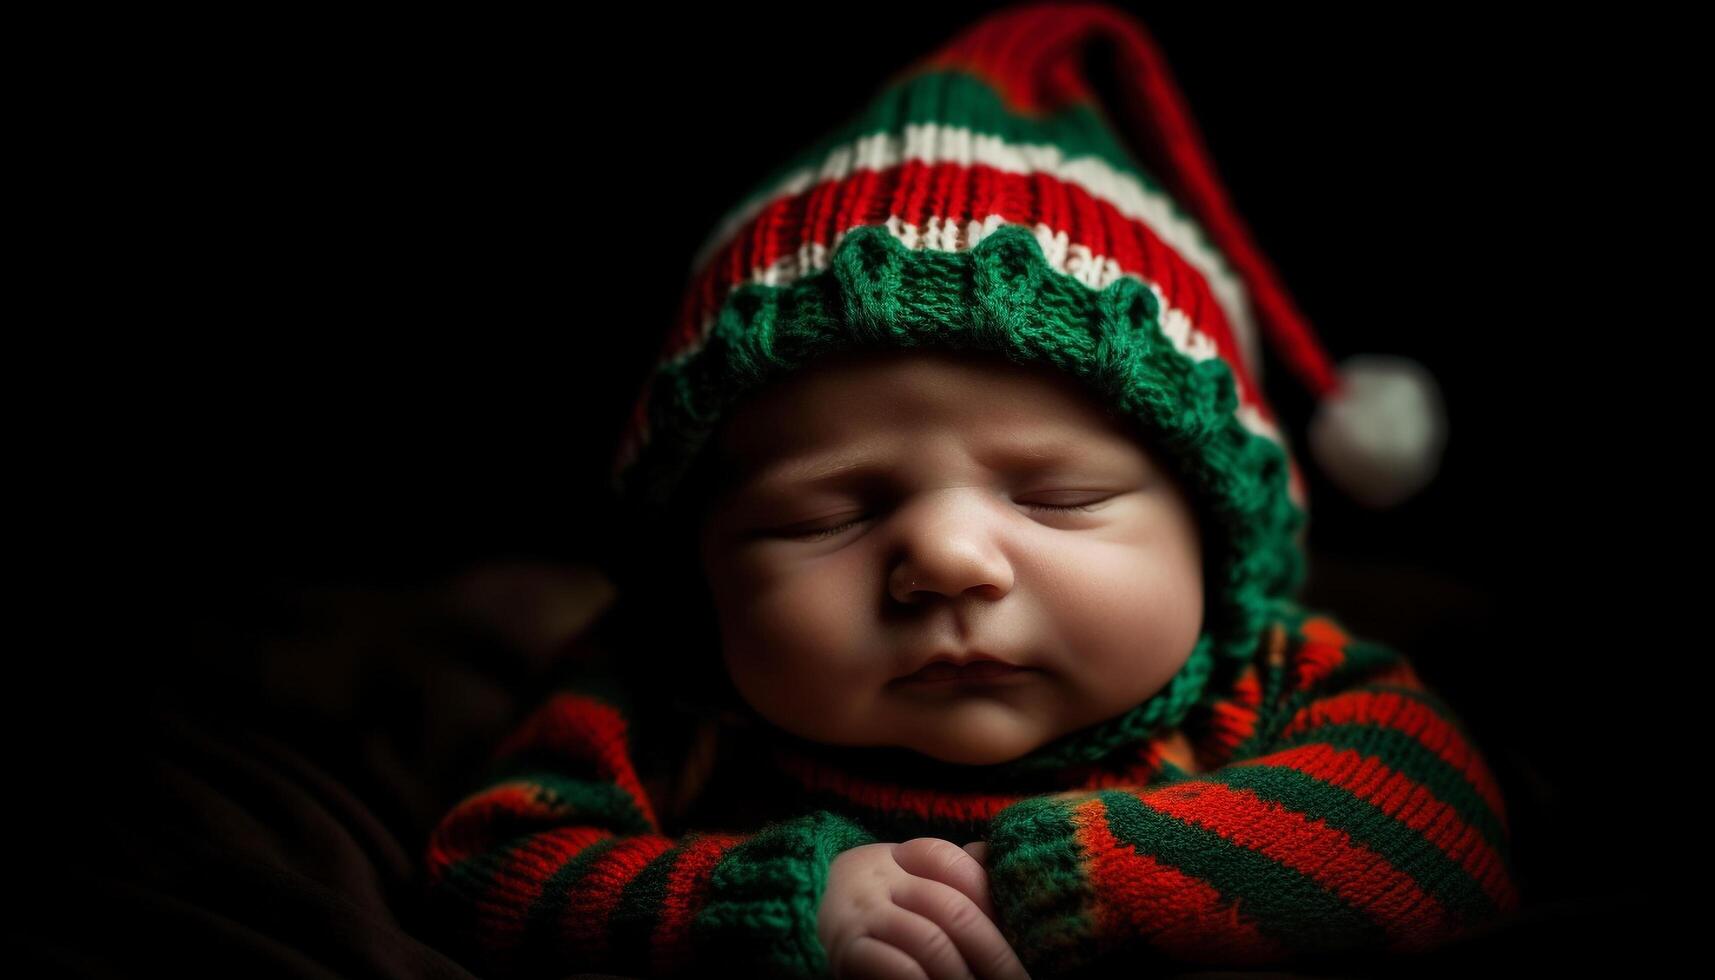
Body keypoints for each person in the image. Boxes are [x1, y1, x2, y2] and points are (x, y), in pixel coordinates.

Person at [422, 4, 1516, 977]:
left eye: (1055, 497)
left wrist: (1062, 882)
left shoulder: (1265, 678)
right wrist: (766, 906)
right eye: (825, 512)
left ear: (1215, 535)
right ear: (696, 562)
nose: (946, 558)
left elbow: (1438, 830)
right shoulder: (665, 692)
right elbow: (493, 866)